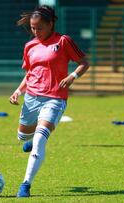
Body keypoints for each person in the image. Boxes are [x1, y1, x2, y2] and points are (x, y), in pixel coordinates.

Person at [9, 5, 89, 198]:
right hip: (31, 98)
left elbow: (84, 62)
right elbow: (30, 73)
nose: (36, 31)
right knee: (22, 137)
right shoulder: (30, 46)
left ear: (50, 24)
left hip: (55, 98)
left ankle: (25, 184)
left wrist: (72, 77)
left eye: (39, 27)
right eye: (33, 28)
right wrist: (18, 91)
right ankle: (29, 142)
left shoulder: (63, 41)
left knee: (39, 141)